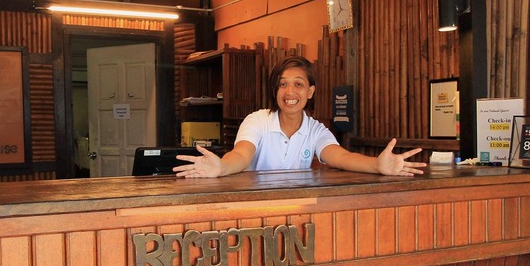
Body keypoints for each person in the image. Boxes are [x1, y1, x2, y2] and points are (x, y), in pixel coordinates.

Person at [175, 56, 426, 178]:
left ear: (310, 91)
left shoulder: (316, 131)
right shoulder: (257, 121)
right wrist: (222, 167)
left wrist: (377, 166)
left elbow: (341, 157)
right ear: (275, 91)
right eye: (283, 85)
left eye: (298, 84)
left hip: (298, 213)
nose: (290, 92)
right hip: (254, 210)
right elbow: (241, 154)